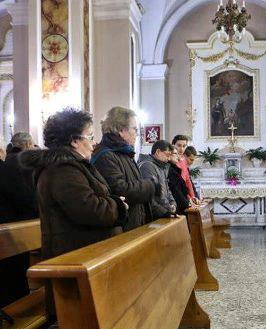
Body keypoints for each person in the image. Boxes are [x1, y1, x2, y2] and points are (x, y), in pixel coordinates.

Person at [20, 108, 128, 310]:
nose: (94, 142)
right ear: (74, 140)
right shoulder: (63, 170)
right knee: (80, 325)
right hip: (74, 258)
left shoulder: (73, 165)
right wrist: (119, 205)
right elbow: (90, 209)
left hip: (84, 255)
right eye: (90, 135)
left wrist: (111, 202)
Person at [91, 106, 158, 231]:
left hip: (134, 224)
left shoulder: (124, 153)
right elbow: (120, 190)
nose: (137, 134)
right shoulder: (105, 155)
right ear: (121, 130)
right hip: (123, 227)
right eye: (134, 129)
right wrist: (150, 186)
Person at [0, 133, 38, 307]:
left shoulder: (8, 162)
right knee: (15, 274)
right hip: (18, 223)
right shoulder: (21, 163)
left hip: (10, 222)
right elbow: (26, 196)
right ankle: (18, 306)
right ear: (28, 144)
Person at [138, 140, 177, 218]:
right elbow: (153, 194)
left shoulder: (161, 167)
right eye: (167, 155)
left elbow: (167, 189)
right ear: (158, 152)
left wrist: (173, 203)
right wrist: (167, 209)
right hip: (154, 213)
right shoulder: (147, 166)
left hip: (164, 210)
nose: (169, 159)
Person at [171, 135, 198, 204]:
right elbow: (176, 186)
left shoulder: (183, 160)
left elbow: (188, 181)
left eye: (184, 146)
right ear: (173, 145)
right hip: (176, 197)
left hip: (185, 196)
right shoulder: (171, 161)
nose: (181, 149)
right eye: (179, 145)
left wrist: (193, 197)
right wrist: (188, 199)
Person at [168, 148, 191, 215]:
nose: (178, 157)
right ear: (169, 155)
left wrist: (189, 199)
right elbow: (175, 190)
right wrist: (187, 204)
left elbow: (184, 186)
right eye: (175, 154)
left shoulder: (175, 169)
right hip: (177, 206)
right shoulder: (170, 170)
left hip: (181, 204)